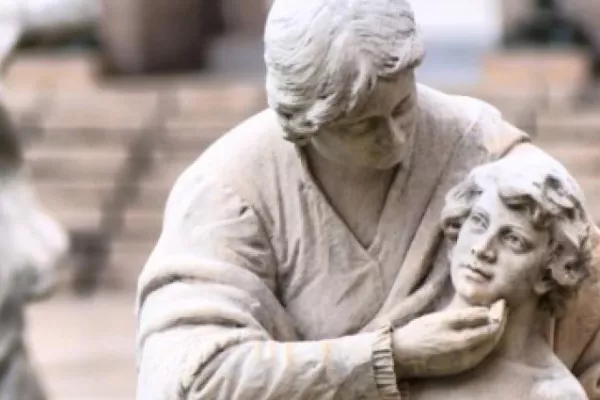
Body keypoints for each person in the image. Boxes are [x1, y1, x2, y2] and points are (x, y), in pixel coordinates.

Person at [136, 0, 600, 398]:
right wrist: (388, 357)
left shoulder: (487, 154)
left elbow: (588, 313)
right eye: (361, 126)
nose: (396, 137)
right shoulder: (231, 189)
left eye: (403, 107)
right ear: (303, 123)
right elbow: (188, 375)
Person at [409, 156, 591, 399]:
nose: (482, 248)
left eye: (513, 239)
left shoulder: (551, 394)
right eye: (478, 222)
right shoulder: (397, 350)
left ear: (549, 274)